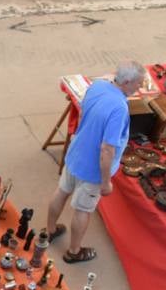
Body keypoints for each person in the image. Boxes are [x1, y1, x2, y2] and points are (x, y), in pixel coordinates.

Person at [46, 60, 139, 263]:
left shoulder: (97, 86)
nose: (139, 89)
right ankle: (74, 251)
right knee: (83, 209)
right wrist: (105, 182)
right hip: (92, 171)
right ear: (128, 81)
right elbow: (107, 149)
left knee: (61, 192)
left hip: (75, 154)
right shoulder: (119, 109)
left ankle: (49, 231)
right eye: (138, 84)